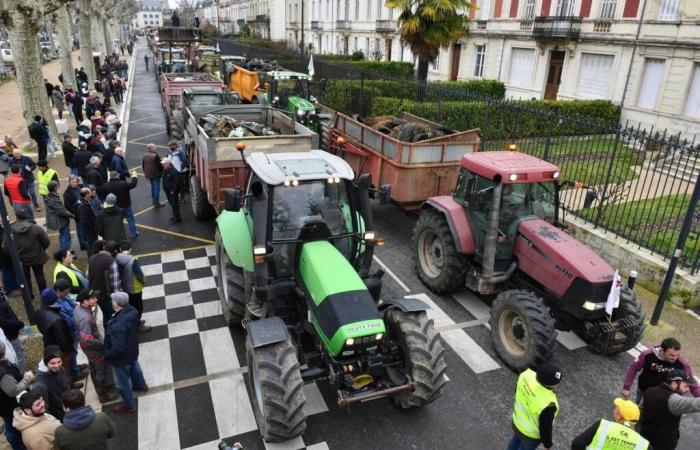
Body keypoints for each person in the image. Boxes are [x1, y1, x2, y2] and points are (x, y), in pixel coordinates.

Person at [105, 292, 148, 414]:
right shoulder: (132, 311)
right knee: (135, 367)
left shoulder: (118, 325)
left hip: (121, 358)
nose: (111, 302)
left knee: (122, 382)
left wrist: (107, 354)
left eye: (113, 300)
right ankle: (141, 385)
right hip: (132, 350)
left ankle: (129, 405)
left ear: (117, 304)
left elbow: (118, 348)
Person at [73, 289, 118, 403]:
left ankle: (101, 389)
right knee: (101, 369)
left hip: (88, 348)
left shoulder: (79, 309)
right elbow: (87, 339)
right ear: (85, 301)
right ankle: (103, 395)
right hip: (93, 348)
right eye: (93, 298)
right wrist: (101, 345)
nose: (96, 300)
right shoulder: (85, 318)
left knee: (93, 366)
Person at [623, 337, 700, 402]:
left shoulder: (682, 364)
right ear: (662, 350)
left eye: (677, 355)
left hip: (660, 397)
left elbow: (692, 383)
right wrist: (626, 387)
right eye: (671, 355)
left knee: (646, 414)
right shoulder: (647, 355)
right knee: (635, 410)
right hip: (642, 389)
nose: (675, 358)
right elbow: (633, 368)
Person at [640, 369, 700, 450]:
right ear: (675, 383)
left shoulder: (650, 390)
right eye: (685, 386)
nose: (688, 390)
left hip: (643, 441)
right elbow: (694, 404)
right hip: (662, 446)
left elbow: (639, 411)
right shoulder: (673, 399)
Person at [508, 364, 561, 450]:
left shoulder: (525, 375)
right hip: (530, 436)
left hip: (517, 422)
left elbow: (517, 391)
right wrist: (547, 445)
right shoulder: (548, 403)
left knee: (515, 441)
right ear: (550, 385)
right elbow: (545, 428)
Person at [4, 210, 49, 299]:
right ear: (27, 216)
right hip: (37, 257)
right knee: (40, 276)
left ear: (16, 217)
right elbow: (46, 242)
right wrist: (41, 250)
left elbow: (5, 247)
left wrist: (14, 256)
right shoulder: (36, 228)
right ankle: (44, 295)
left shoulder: (10, 230)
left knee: (25, 278)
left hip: (21, 259)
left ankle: (29, 297)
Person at [571, 398, 649, 450]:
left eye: (616, 407)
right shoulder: (643, 444)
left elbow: (576, 444)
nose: (614, 408)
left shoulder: (602, 425)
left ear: (619, 416)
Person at [34, 289, 76, 379]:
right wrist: (68, 351)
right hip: (60, 351)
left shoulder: (38, 312)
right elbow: (62, 340)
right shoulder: (57, 319)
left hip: (49, 345)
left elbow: (40, 329)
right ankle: (69, 385)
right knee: (64, 368)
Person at [0, 342, 33, 450]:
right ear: (3, 351)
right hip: (9, 407)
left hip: (4, 404)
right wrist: (27, 378)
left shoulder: (3, 364)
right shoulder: (3, 372)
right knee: (12, 428)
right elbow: (13, 391)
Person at [115, 241, 150, 333]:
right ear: (130, 249)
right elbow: (139, 274)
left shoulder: (117, 257)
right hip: (135, 288)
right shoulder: (132, 260)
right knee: (138, 308)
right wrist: (144, 280)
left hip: (124, 287)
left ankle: (134, 322)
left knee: (130, 306)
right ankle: (137, 325)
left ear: (120, 249)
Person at [87, 241, 120, 327]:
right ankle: (113, 333)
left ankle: (107, 330)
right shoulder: (111, 261)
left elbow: (88, 275)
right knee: (113, 315)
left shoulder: (92, 258)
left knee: (106, 314)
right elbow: (115, 282)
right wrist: (116, 298)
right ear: (115, 251)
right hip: (106, 295)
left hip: (95, 294)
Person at [34, 346, 71, 422]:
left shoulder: (60, 368)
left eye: (59, 362)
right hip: (57, 417)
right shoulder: (40, 385)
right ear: (46, 363)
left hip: (67, 408)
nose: (57, 366)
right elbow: (44, 409)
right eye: (52, 363)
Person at [100, 170, 138, 238]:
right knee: (130, 219)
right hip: (126, 205)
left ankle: (119, 235)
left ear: (110, 176)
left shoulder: (105, 186)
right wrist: (134, 176)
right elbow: (133, 184)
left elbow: (104, 196)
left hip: (114, 207)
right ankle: (134, 233)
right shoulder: (123, 183)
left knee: (117, 222)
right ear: (118, 176)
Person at [44, 181, 73, 251]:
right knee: (65, 236)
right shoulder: (53, 199)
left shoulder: (51, 197)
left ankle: (65, 250)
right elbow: (60, 211)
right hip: (60, 221)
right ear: (55, 188)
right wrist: (71, 215)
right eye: (57, 186)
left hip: (60, 220)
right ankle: (65, 252)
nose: (59, 188)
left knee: (64, 235)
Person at [0, 293, 25, 372]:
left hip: (10, 333)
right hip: (9, 334)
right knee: (17, 355)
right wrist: (18, 324)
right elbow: (3, 322)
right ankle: (21, 376)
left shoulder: (2, 296)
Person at [76, 188, 98, 257]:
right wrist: (92, 228)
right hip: (89, 230)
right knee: (91, 244)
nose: (91, 194)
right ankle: (92, 257)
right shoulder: (83, 206)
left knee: (91, 243)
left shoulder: (81, 202)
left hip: (88, 229)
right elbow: (84, 220)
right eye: (89, 193)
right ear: (86, 194)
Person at [162, 157, 181, 223]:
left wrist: (173, 191)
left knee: (174, 204)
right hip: (168, 191)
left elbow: (176, 183)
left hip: (172, 192)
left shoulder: (174, 171)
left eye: (164, 164)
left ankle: (177, 218)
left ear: (168, 164)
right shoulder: (165, 170)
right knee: (172, 204)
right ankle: (175, 216)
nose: (163, 165)